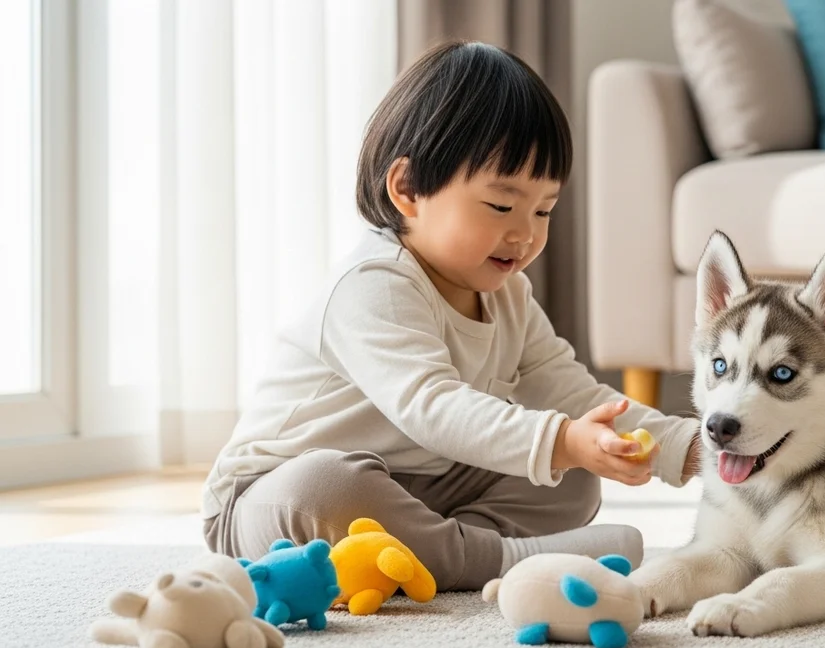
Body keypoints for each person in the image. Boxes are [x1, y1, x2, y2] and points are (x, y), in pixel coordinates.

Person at [200, 41, 700, 592]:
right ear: (408, 189)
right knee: (328, 487)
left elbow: (574, 395)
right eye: (502, 206)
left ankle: (434, 554)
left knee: (572, 478)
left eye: (544, 210)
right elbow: (432, 407)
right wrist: (559, 439)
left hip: (423, 487)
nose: (526, 233)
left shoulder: (509, 294)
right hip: (269, 500)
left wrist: (686, 446)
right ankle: (498, 562)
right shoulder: (374, 285)